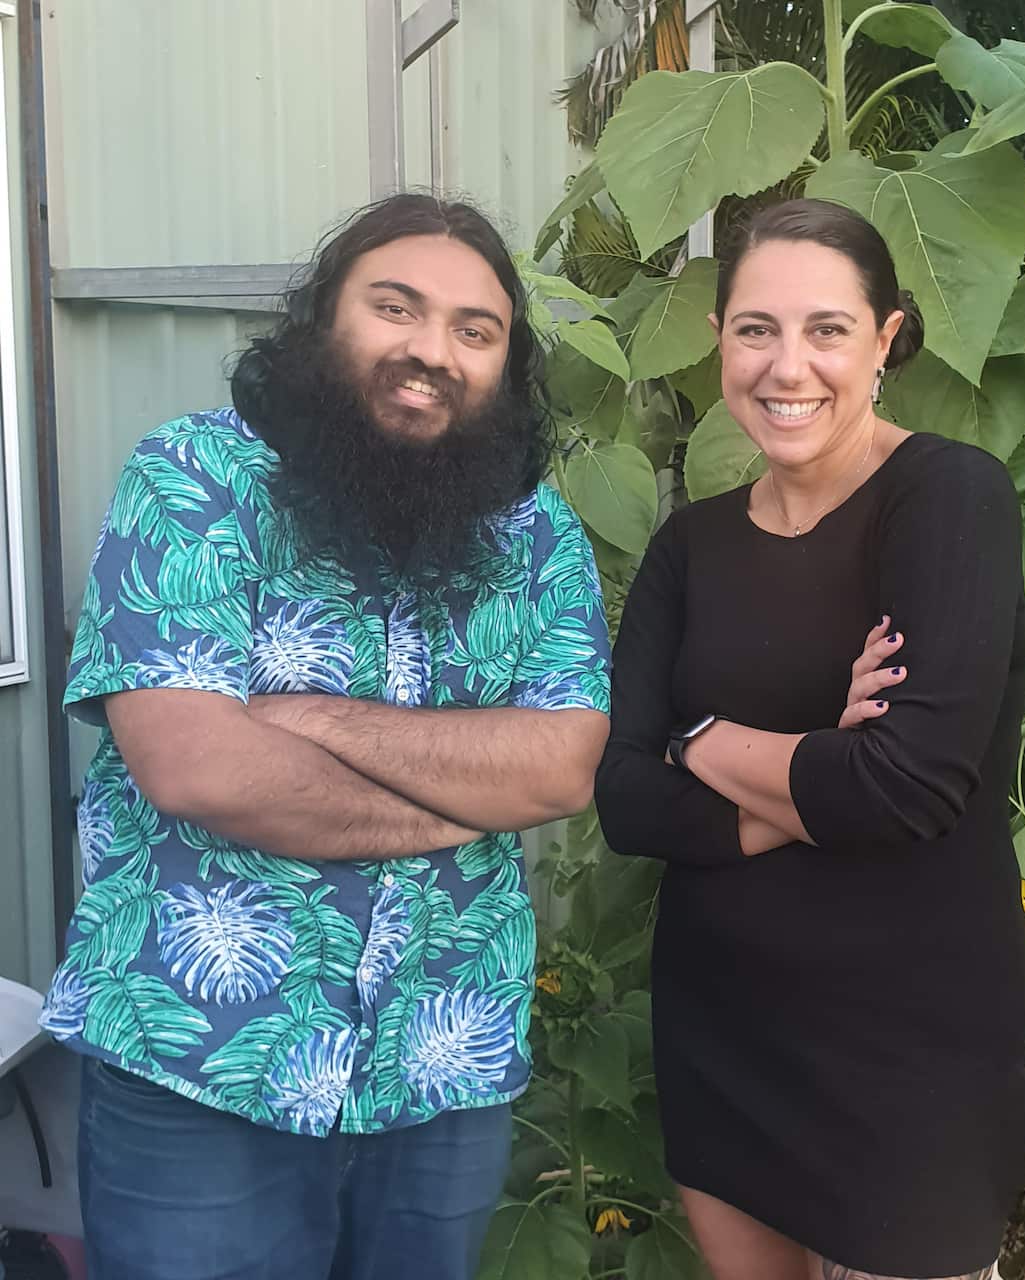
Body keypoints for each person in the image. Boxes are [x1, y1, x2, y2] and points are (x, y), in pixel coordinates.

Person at [39, 193, 612, 1280]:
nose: (430, 350)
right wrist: (466, 786)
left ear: (504, 364)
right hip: (200, 1065)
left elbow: (560, 765)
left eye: (473, 330)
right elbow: (197, 764)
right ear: (323, 319)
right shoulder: (193, 479)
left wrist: (312, 719)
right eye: (394, 306)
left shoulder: (537, 535)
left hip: (441, 1070)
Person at [594, 198, 1025, 1280]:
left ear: (885, 340)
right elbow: (620, 798)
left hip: (907, 1064)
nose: (787, 366)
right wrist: (810, 773)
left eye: (826, 329)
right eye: (755, 329)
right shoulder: (688, 544)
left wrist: (697, 734)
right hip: (724, 1038)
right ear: (718, 341)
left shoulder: (943, 500)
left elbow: (906, 788)